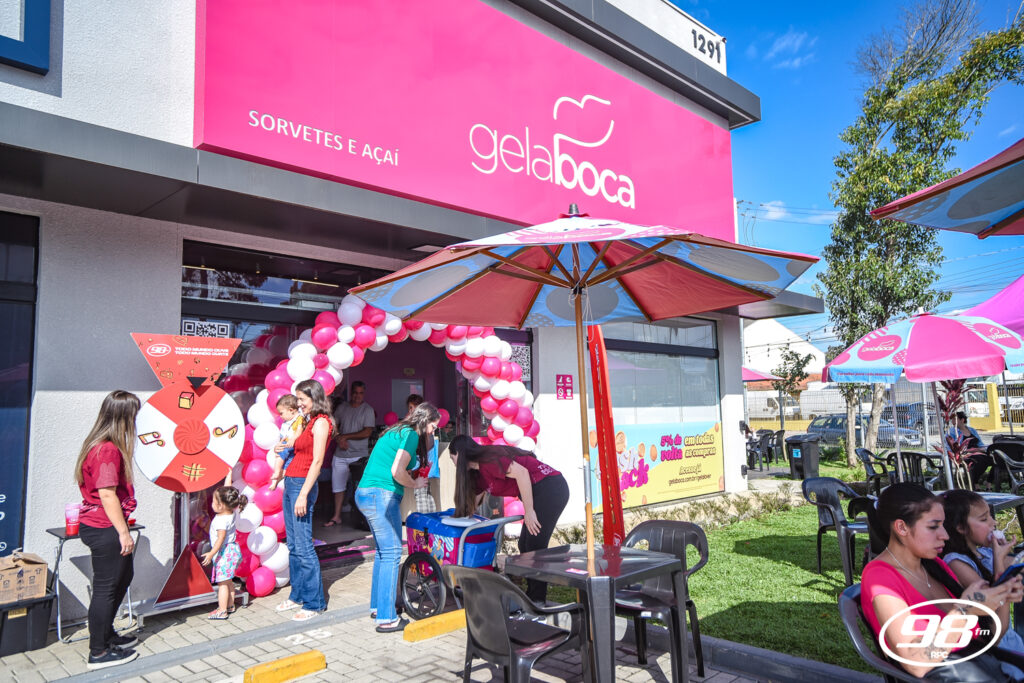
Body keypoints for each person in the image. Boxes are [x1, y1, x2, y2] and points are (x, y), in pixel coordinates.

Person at [862, 482, 1023, 680]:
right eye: (933, 527)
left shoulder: (935, 567)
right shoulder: (880, 577)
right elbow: (916, 662)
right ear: (902, 527)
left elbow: (991, 639)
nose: (945, 535)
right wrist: (965, 611)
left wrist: (1002, 593)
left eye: (943, 525)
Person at [449, 435, 569, 604]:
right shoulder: (477, 473)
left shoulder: (488, 459)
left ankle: (538, 599)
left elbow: (522, 473)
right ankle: (532, 595)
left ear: (459, 454)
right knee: (525, 545)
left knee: (535, 545)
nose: (452, 462)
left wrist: (529, 511)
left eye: (452, 457)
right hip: (538, 492)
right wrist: (461, 519)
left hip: (550, 487)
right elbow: (473, 503)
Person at [355, 402, 437, 633]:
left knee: (384, 552)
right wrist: (415, 483)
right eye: (433, 426)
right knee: (391, 552)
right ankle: (387, 618)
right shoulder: (411, 434)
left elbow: (397, 464)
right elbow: (396, 471)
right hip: (381, 495)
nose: (434, 431)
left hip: (367, 493)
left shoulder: (397, 430)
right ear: (425, 421)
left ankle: (378, 607)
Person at [74, 390, 142, 670]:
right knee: (106, 588)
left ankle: (106, 634)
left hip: (102, 525)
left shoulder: (101, 445)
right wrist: (123, 532)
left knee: (122, 578)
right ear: (123, 418)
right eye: (134, 415)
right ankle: (98, 652)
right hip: (104, 528)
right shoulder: (107, 450)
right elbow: (106, 494)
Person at [941, 489, 1024, 679]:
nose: (993, 523)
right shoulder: (956, 561)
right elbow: (992, 602)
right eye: (984, 519)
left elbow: (1018, 565)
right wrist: (999, 561)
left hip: (1010, 639)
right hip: (995, 646)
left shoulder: (985, 553)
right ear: (961, 527)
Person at [274, 379, 333, 622]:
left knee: (304, 545)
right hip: (292, 481)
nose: (298, 403)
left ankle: (314, 602)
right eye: (297, 399)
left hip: (302, 485)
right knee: (294, 544)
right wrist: (280, 447)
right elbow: (296, 448)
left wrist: (303, 494)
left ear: (314, 398)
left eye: (302, 399)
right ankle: (297, 594)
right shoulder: (307, 421)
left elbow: (317, 461)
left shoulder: (321, 422)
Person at [327, 381, 375, 526]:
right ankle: (337, 516)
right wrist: (338, 438)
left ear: (364, 394)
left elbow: (367, 432)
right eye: (355, 392)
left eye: (360, 393)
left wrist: (345, 437)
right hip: (340, 455)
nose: (357, 396)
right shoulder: (342, 408)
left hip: (359, 456)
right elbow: (333, 427)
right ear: (351, 392)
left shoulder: (368, 410)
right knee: (338, 487)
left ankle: (361, 519)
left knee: (359, 488)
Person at [201, 486, 247, 620]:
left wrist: (211, 553)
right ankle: (230, 605)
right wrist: (228, 476)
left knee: (222, 584)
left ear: (221, 505)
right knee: (228, 581)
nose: (212, 504)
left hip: (224, 553)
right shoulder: (231, 512)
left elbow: (220, 539)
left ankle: (222, 610)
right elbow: (227, 491)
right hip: (232, 551)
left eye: (214, 501)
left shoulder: (220, 520)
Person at [406, 394, 440, 513]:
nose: (412, 410)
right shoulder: (415, 426)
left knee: (422, 493)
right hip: (420, 464)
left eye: (414, 407)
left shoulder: (419, 427)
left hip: (420, 465)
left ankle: (425, 520)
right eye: (410, 407)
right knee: (424, 492)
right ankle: (429, 518)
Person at [269, 394, 304, 489]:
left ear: (291, 410)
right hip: (287, 443)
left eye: (281, 413)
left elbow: (299, 430)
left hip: (290, 443)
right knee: (286, 463)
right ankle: (276, 481)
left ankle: (277, 472)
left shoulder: (299, 419)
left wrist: (293, 439)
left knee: (281, 456)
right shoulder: (287, 422)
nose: (280, 416)